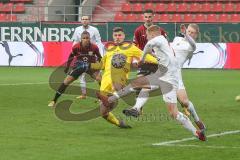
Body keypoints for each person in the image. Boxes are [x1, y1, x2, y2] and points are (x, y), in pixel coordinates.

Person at [97, 25, 206, 141]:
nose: (147, 38)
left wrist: (142, 59)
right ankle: (197, 133)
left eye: (148, 35)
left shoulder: (159, 39)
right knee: (144, 88)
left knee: (177, 108)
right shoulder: (171, 40)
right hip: (165, 74)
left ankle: (197, 125)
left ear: (152, 34)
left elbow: (148, 45)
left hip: (169, 78)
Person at [122, 24, 206, 131]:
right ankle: (136, 108)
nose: (189, 33)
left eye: (192, 32)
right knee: (147, 86)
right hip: (164, 70)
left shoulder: (192, 46)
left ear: (196, 35)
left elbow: (192, 43)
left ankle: (197, 120)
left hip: (176, 74)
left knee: (184, 102)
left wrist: (186, 34)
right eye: (188, 31)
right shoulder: (177, 39)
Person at [78, 27, 157, 128]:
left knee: (116, 91)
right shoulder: (110, 49)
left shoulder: (130, 48)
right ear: (113, 37)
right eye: (115, 35)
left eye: (119, 35)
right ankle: (120, 123)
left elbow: (145, 56)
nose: (117, 37)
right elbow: (102, 65)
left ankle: (134, 102)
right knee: (103, 113)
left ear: (123, 36)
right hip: (105, 84)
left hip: (119, 81)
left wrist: (159, 62)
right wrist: (88, 65)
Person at [48, 31, 101, 107]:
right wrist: (67, 67)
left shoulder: (94, 47)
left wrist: (99, 67)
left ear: (90, 39)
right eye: (84, 38)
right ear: (81, 39)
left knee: (100, 79)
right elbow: (71, 56)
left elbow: (99, 57)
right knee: (66, 81)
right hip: (79, 66)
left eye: (87, 38)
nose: (86, 39)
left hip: (91, 65)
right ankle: (54, 101)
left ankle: (102, 98)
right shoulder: (76, 47)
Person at [72, 15, 105, 99]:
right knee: (81, 75)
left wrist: (100, 55)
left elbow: (99, 42)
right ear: (81, 20)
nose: (84, 21)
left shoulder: (94, 30)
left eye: (86, 19)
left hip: (93, 54)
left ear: (89, 20)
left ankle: (103, 94)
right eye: (83, 19)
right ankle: (83, 94)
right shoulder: (77, 29)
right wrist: (73, 52)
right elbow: (75, 41)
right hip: (82, 54)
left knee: (98, 76)